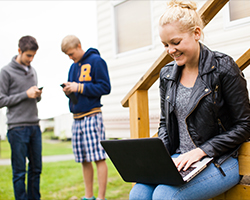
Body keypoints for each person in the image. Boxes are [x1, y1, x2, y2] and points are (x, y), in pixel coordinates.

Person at [129, 1, 250, 199]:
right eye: (165, 45)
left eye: (175, 42)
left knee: (165, 196)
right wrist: (158, 159)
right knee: (138, 194)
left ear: (196, 33)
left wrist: (201, 151)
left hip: (221, 159)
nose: (170, 50)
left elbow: (245, 125)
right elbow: (165, 124)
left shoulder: (224, 68)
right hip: (179, 159)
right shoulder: (167, 74)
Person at [61, 35, 111, 200]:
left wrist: (79, 87)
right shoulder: (73, 67)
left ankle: (101, 197)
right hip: (77, 118)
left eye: (71, 53)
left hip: (92, 116)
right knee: (83, 159)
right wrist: (70, 91)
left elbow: (105, 87)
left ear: (79, 46)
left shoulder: (97, 61)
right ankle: (88, 196)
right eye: (67, 55)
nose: (70, 57)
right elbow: (76, 92)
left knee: (98, 157)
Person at [0, 35, 42, 200]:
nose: (31, 59)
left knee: (36, 169)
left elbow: (34, 98)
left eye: (33, 56)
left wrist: (37, 95)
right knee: (19, 172)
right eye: (28, 55)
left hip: (34, 126)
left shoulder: (32, 71)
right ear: (19, 51)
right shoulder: (5, 72)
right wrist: (26, 94)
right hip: (17, 128)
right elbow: (1, 100)